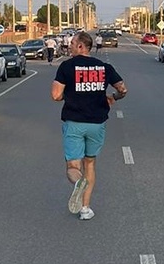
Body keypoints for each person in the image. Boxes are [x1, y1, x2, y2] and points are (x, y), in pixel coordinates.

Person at [51, 30, 126, 221]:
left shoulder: (66, 67)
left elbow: (56, 95)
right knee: (90, 163)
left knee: (73, 165)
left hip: (74, 122)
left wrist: (67, 95)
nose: (69, 46)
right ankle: (85, 208)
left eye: (72, 43)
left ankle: (78, 183)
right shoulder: (104, 67)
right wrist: (112, 97)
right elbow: (123, 89)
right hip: (96, 123)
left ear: (81, 46)